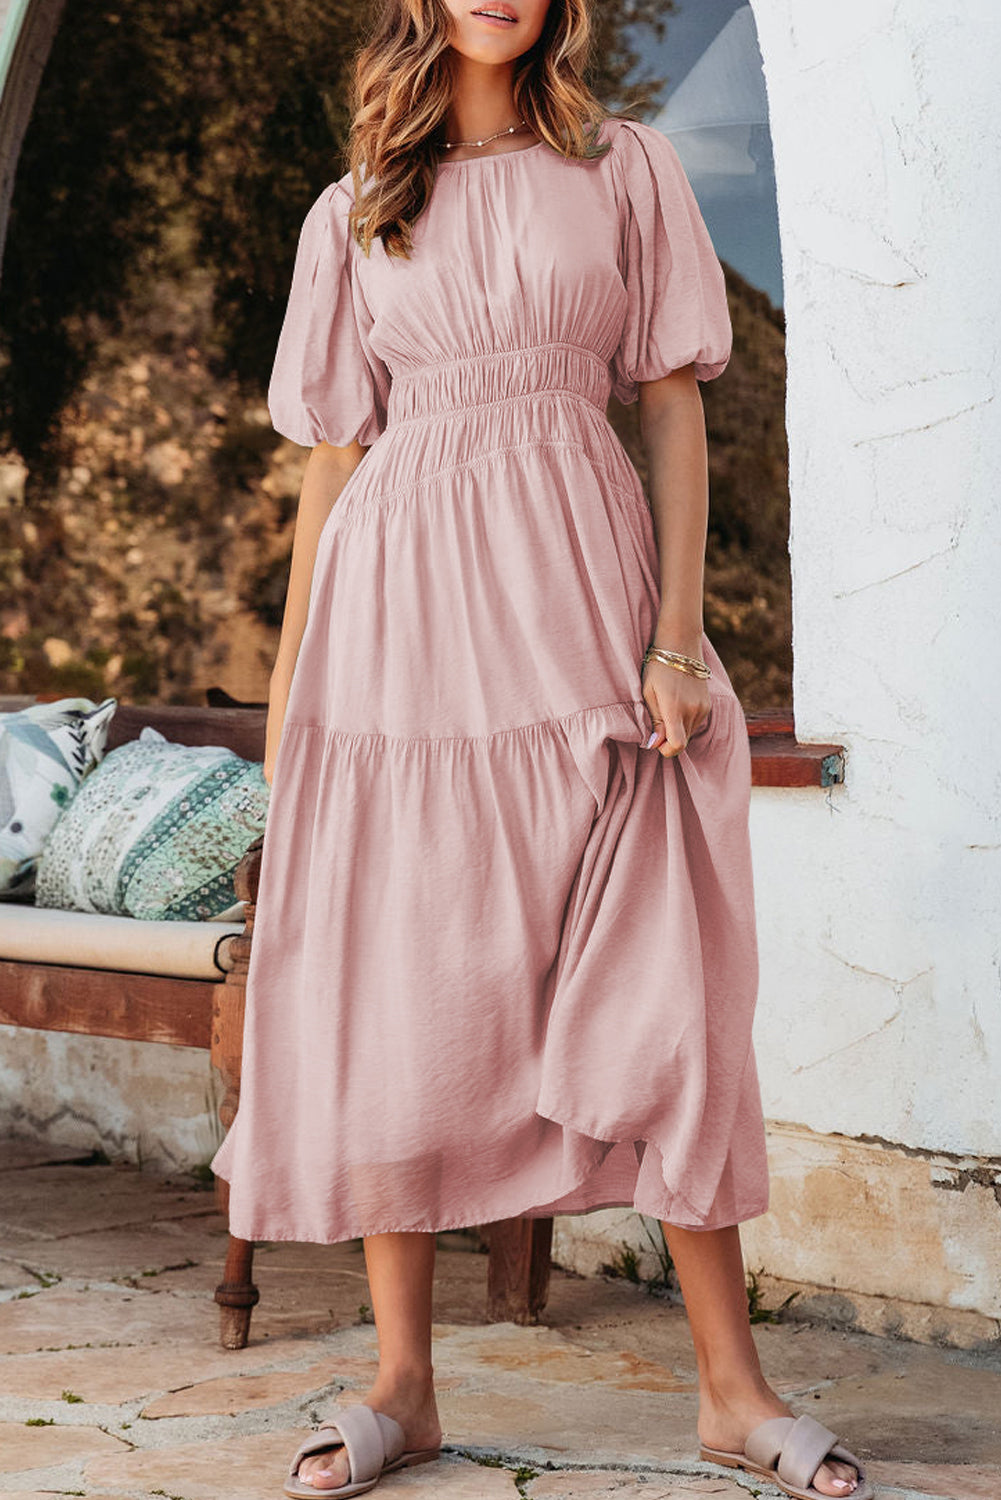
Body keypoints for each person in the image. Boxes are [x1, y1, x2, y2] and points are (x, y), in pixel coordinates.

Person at [210, 3, 873, 1498]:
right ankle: (402, 1383)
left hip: (581, 600)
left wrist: (676, 636)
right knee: (400, 977)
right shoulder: (355, 203)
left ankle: (732, 1391)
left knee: (661, 976)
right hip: (399, 626)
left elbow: (672, 408)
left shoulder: (624, 169)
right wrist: (293, 690)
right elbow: (334, 459)